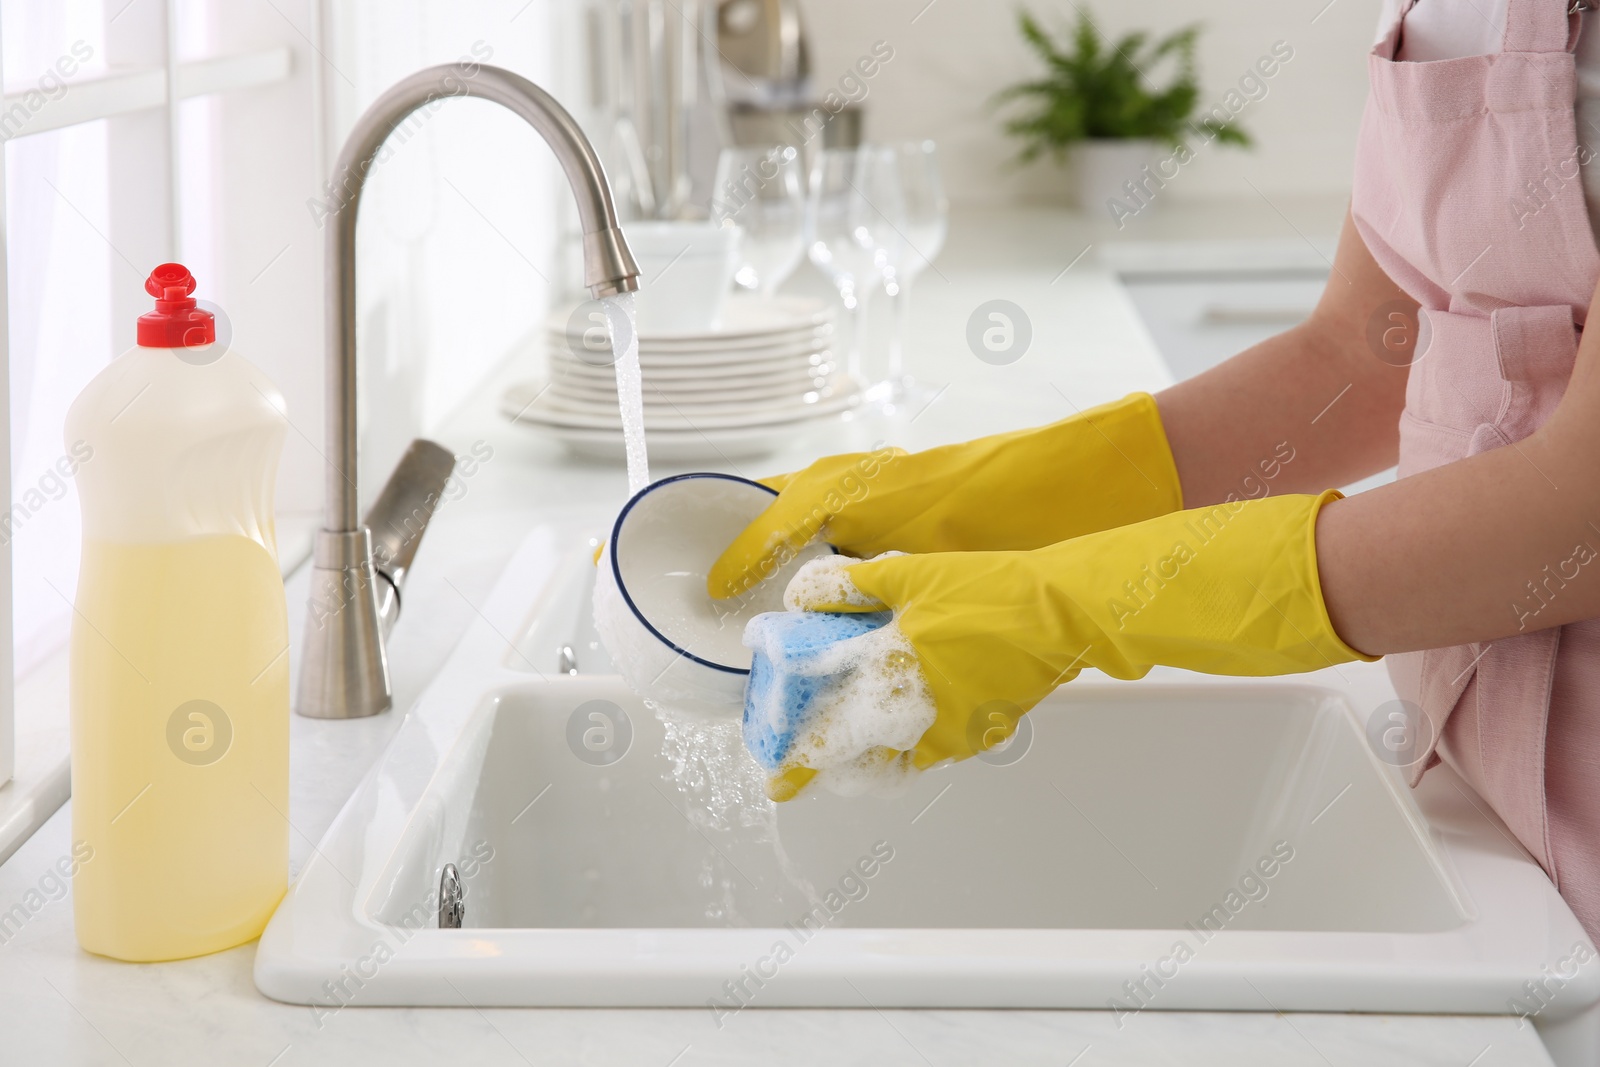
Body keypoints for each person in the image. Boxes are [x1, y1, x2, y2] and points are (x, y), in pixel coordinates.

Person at [708, 0, 1600, 942]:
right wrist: (988, 498)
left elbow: (1579, 513)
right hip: (1473, 794)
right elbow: (1367, 353)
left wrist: (1083, 602)